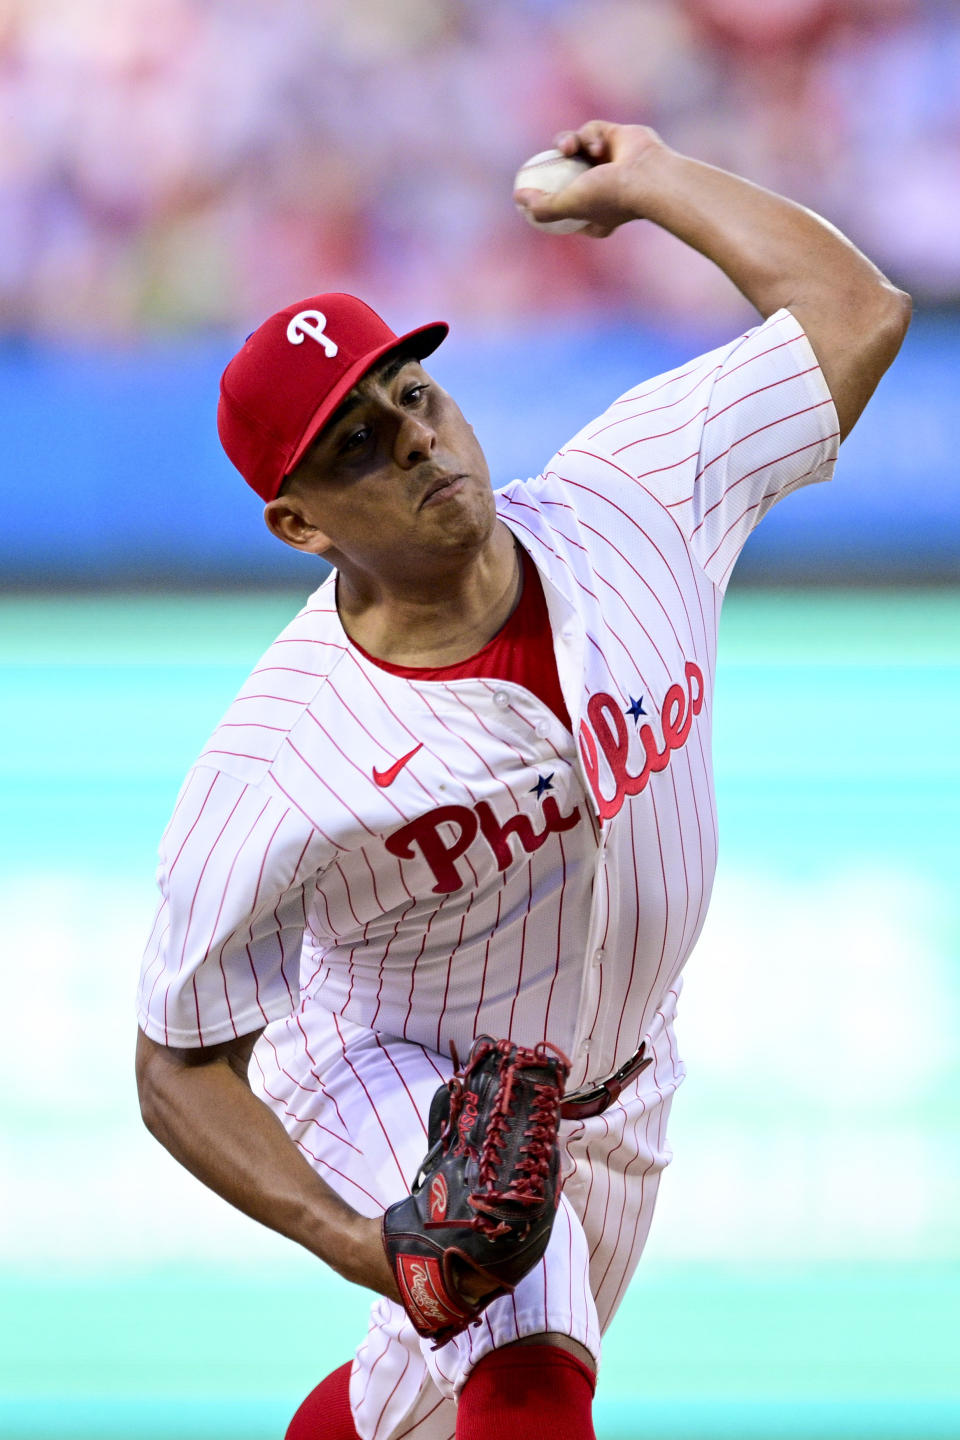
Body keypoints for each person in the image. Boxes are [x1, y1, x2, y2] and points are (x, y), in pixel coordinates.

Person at [135, 120, 910, 1440]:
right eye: (358, 447)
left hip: (625, 1074)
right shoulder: (281, 758)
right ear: (301, 524)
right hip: (406, 1072)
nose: (416, 441)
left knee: (413, 1404)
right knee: (531, 1386)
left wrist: (659, 181)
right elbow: (175, 1065)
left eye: (413, 396)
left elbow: (853, 309)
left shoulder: (635, 497)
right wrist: (376, 1247)